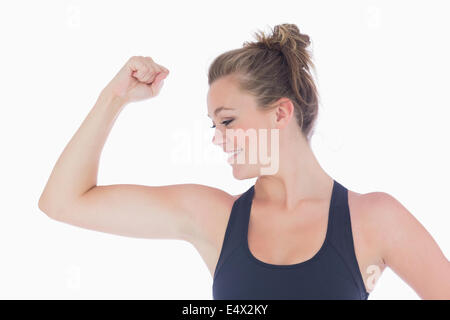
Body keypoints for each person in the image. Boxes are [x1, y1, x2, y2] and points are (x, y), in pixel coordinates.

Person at [38, 24, 450, 299]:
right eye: (214, 124)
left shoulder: (375, 219)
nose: (217, 138)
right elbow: (62, 202)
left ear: (281, 113)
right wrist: (114, 98)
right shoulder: (214, 216)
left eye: (228, 121)